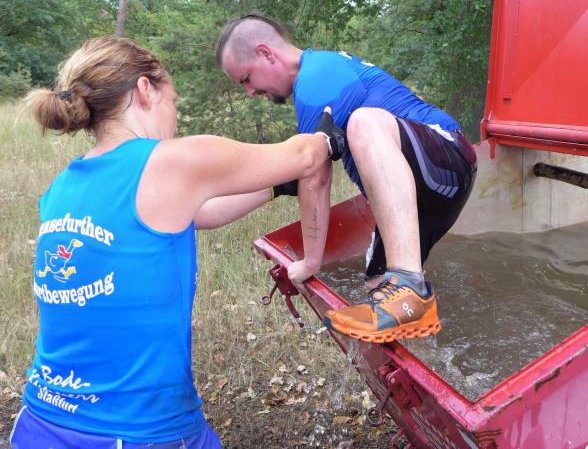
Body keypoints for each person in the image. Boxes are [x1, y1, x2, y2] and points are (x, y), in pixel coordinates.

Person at [10, 36, 344, 448]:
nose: (175, 115)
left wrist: (278, 186)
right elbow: (306, 155)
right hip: (135, 431)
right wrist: (327, 136)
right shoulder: (170, 161)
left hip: (40, 422)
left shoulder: (64, 184)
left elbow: (200, 213)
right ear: (145, 90)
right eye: (173, 100)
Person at [215, 14, 477, 343]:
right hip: (419, 192)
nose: (250, 92)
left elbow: (315, 179)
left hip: (448, 158)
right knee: (378, 287)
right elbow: (297, 173)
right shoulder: (316, 75)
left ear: (266, 53)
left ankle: (411, 285)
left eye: (246, 79)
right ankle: (431, 348)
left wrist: (310, 263)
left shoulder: (316, 79)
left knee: (363, 122)